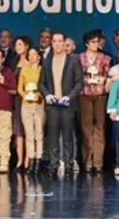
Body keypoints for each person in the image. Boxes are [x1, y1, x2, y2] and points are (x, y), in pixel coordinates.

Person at [40, 30, 84, 175]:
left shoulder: (73, 61)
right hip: (52, 104)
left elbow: (79, 82)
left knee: (67, 136)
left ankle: (69, 163)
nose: (57, 44)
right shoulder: (47, 62)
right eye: (55, 41)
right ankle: (54, 164)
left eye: (60, 41)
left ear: (65, 43)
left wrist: (69, 97)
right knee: (52, 136)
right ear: (51, 43)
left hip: (67, 104)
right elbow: (41, 83)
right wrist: (47, 94)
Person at [78, 30, 111, 173]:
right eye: (93, 42)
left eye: (97, 42)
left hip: (100, 95)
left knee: (99, 128)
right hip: (84, 95)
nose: (96, 44)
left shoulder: (105, 58)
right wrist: (87, 80)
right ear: (86, 43)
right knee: (86, 128)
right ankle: (87, 161)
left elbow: (108, 76)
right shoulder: (78, 58)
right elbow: (76, 77)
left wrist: (100, 80)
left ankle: (98, 162)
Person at [18, 47, 45, 173]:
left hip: (39, 104)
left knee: (39, 133)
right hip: (26, 105)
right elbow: (20, 88)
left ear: (39, 56)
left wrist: (38, 96)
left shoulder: (43, 70)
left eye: (34, 54)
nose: (31, 56)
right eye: (29, 54)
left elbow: (45, 86)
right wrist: (26, 96)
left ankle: (39, 159)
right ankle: (31, 159)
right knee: (29, 134)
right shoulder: (24, 70)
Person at [10, 35, 33, 172]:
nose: (17, 47)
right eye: (16, 45)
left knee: (29, 129)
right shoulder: (13, 61)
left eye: (20, 44)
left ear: (27, 46)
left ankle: (28, 160)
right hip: (17, 99)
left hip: (31, 99)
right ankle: (19, 160)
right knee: (18, 130)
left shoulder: (32, 61)